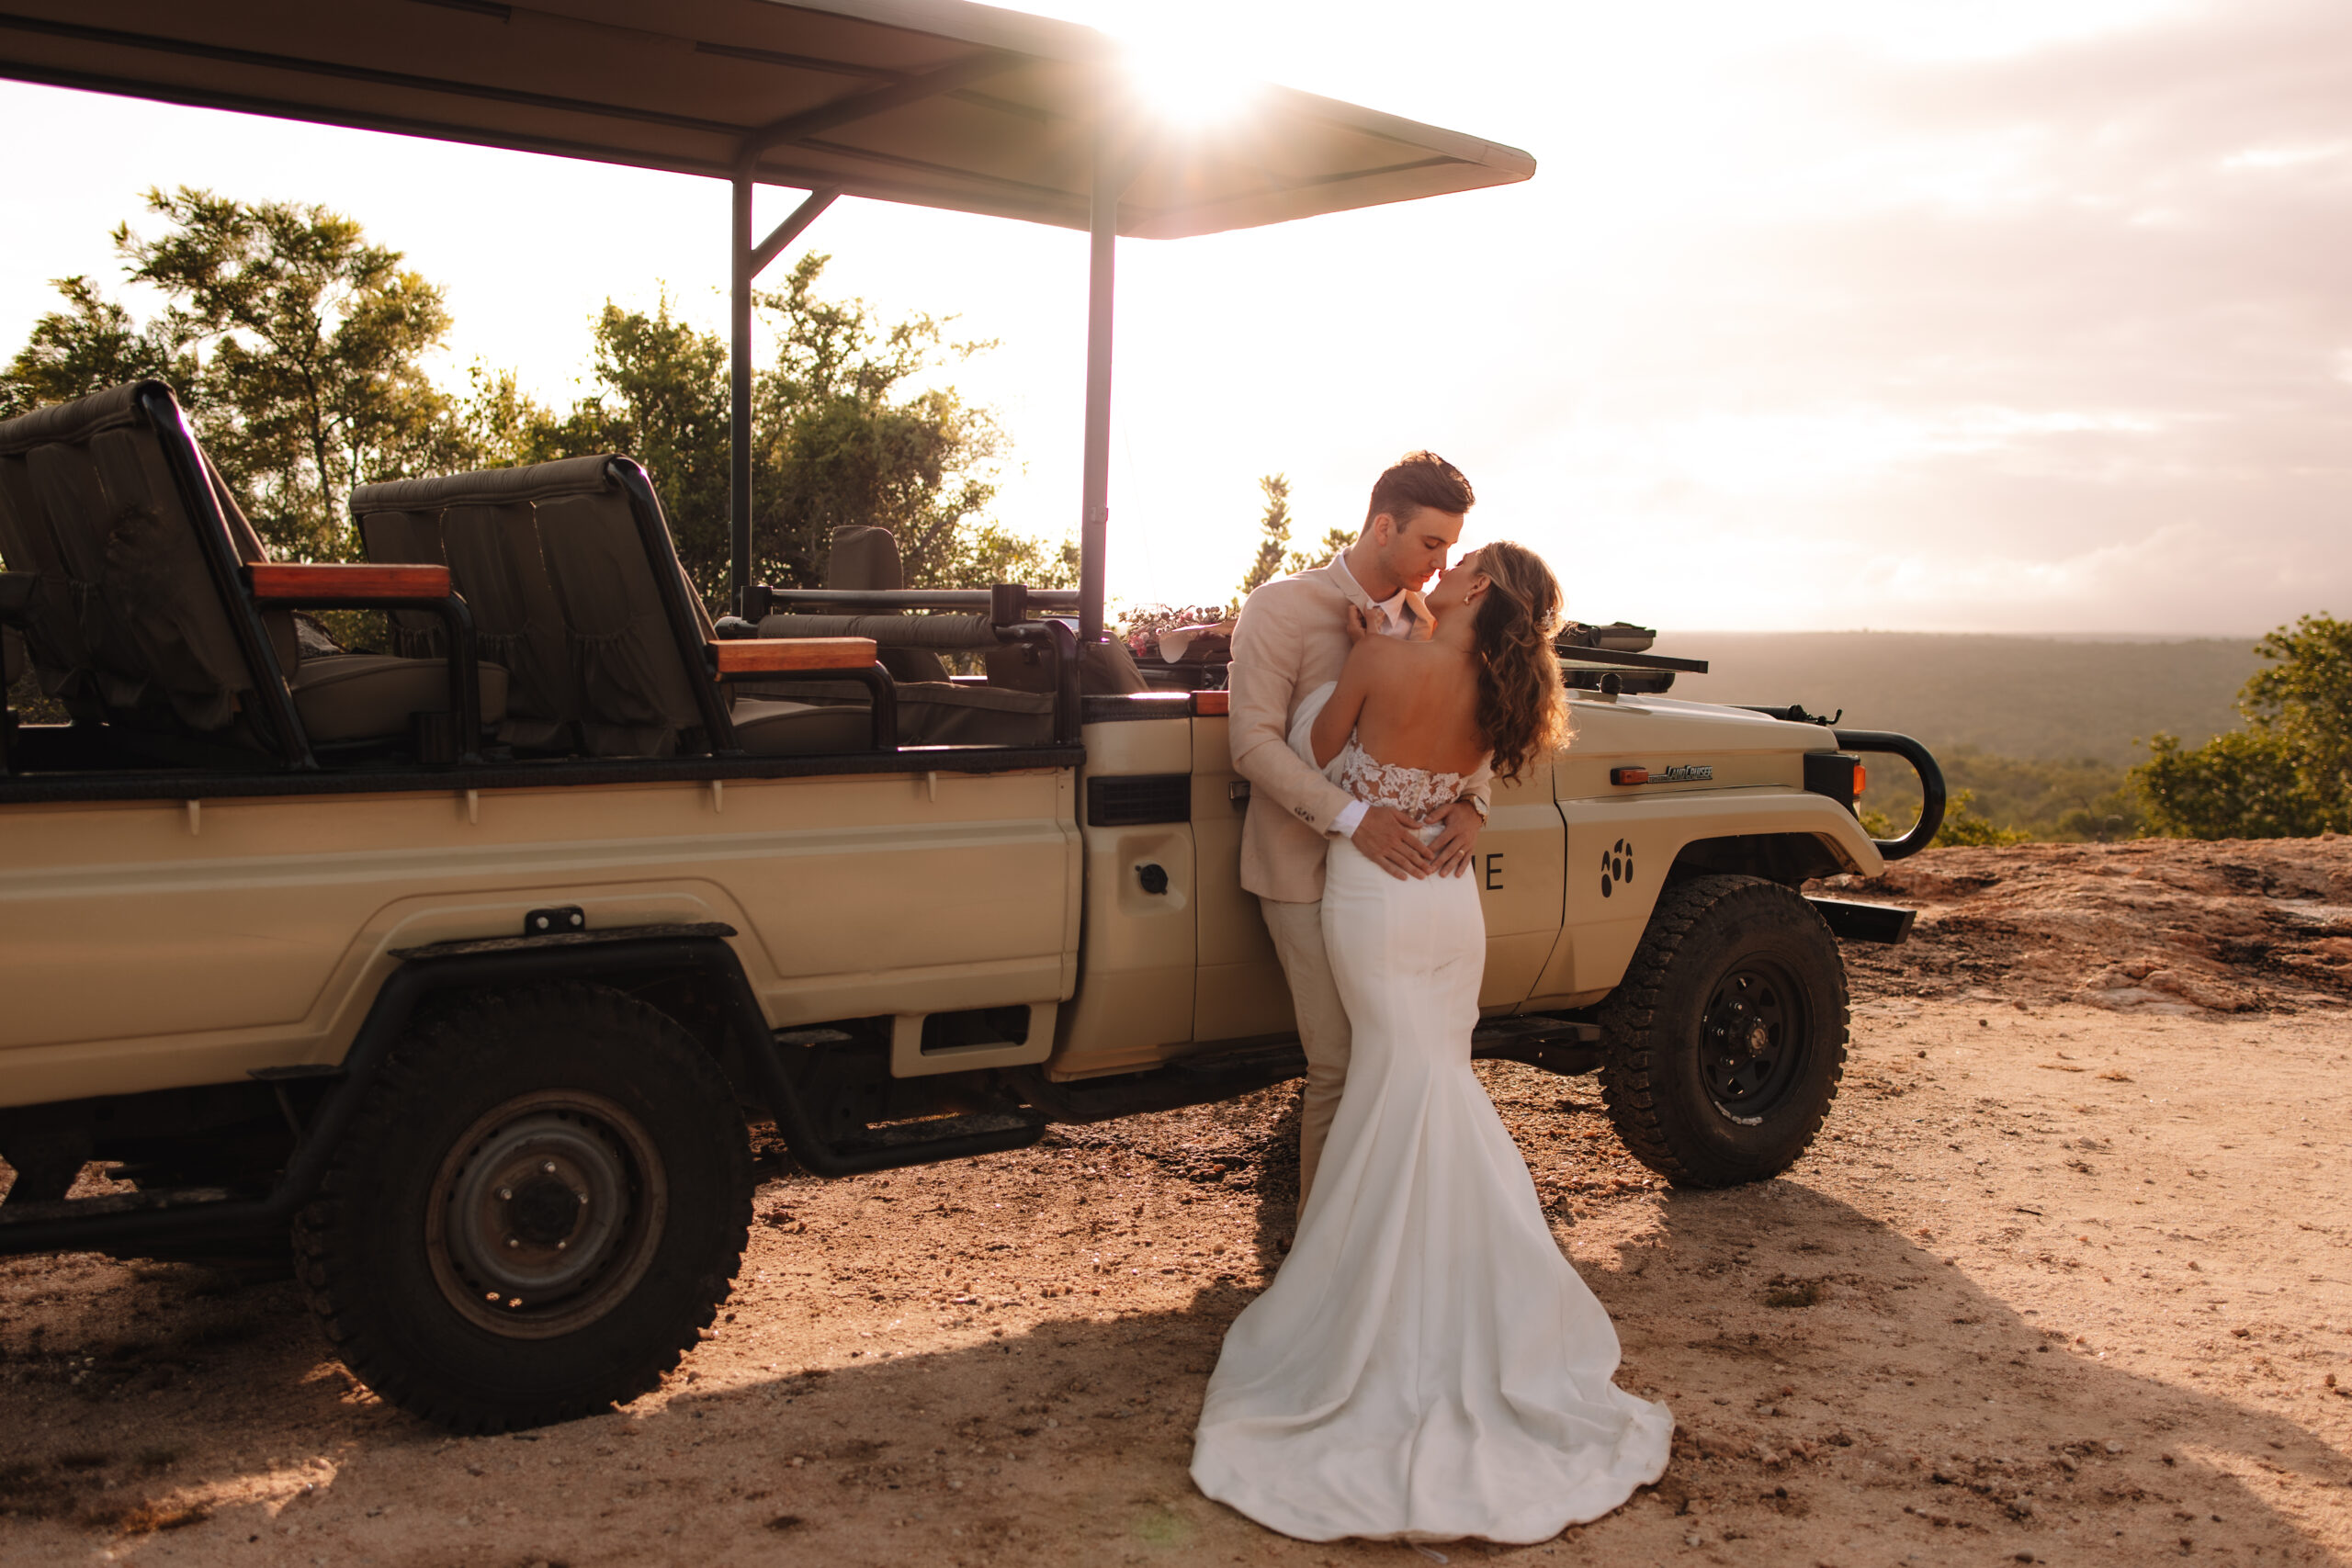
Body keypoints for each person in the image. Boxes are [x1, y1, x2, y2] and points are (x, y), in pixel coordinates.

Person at [1191, 541, 1674, 1544]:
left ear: (1479, 589)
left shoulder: (1383, 653)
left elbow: (1317, 756)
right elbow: (1468, 779)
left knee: (1389, 1080)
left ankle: (1359, 1311)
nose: (1440, 571)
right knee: (1426, 1080)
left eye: (1460, 565)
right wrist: (1446, 795)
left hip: (1374, 893)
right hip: (1449, 903)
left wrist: (1366, 661)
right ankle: (1468, 1308)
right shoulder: (1503, 684)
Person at [1227, 452, 1490, 1215]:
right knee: (1341, 1064)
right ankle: (1323, 1264)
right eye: (1432, 543)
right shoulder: (1281, 607)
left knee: (1400, 1062)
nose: (1441, 564)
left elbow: (1466, 739)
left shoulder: (1431, 624)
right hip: (1304, 873)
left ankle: (1391, 1246)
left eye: (1451, 548)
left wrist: (1474, 808)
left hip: (1405, 887)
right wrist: (1353, 820)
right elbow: (1252, 743)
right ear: (1384, 526)